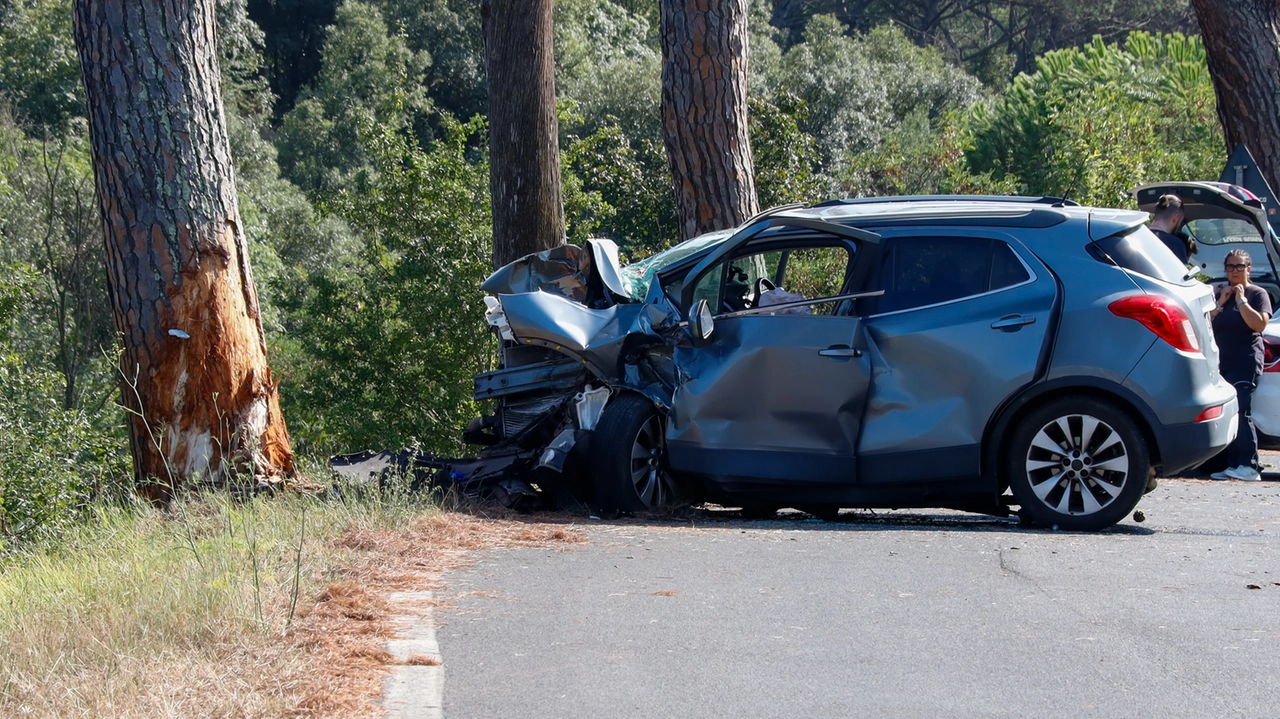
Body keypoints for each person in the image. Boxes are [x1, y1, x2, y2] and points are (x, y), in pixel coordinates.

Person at [1209, 249, 1272, 481]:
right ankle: (1231, 463)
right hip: (1221, 361)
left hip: (1245, 359)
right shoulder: (1220, 293)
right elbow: (1207, 324)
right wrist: (1221, 302)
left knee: (1241, 410)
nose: (1235, 271)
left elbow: (1258, 325)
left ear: (1249, 268)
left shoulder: (1257, 293)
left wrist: (1241, 300)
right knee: (1225, 412)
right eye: (1230, 267)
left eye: (1239, 266)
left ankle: (1249, 465)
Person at [1149, 194, 1195, 264]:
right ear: (1175, 218)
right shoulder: (1175, 244)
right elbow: (1181, 274)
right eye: (1180, 221)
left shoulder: (1135, 236)